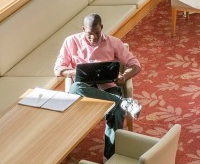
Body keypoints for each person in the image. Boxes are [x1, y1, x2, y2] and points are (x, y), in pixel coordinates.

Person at [54, 14, 142, 160]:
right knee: (75, 89)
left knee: (117, 111)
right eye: (89, 34)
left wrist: (124, 76)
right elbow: (58, 69)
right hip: (84, 88)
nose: (93, 37)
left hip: (108, 86)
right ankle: (122, 102)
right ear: (83, 29)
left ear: (101, 28)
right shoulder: (71, 42)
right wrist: (74, 71)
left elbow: (135, 65)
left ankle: (110, 156)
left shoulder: (114, 42)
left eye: (97, 33)